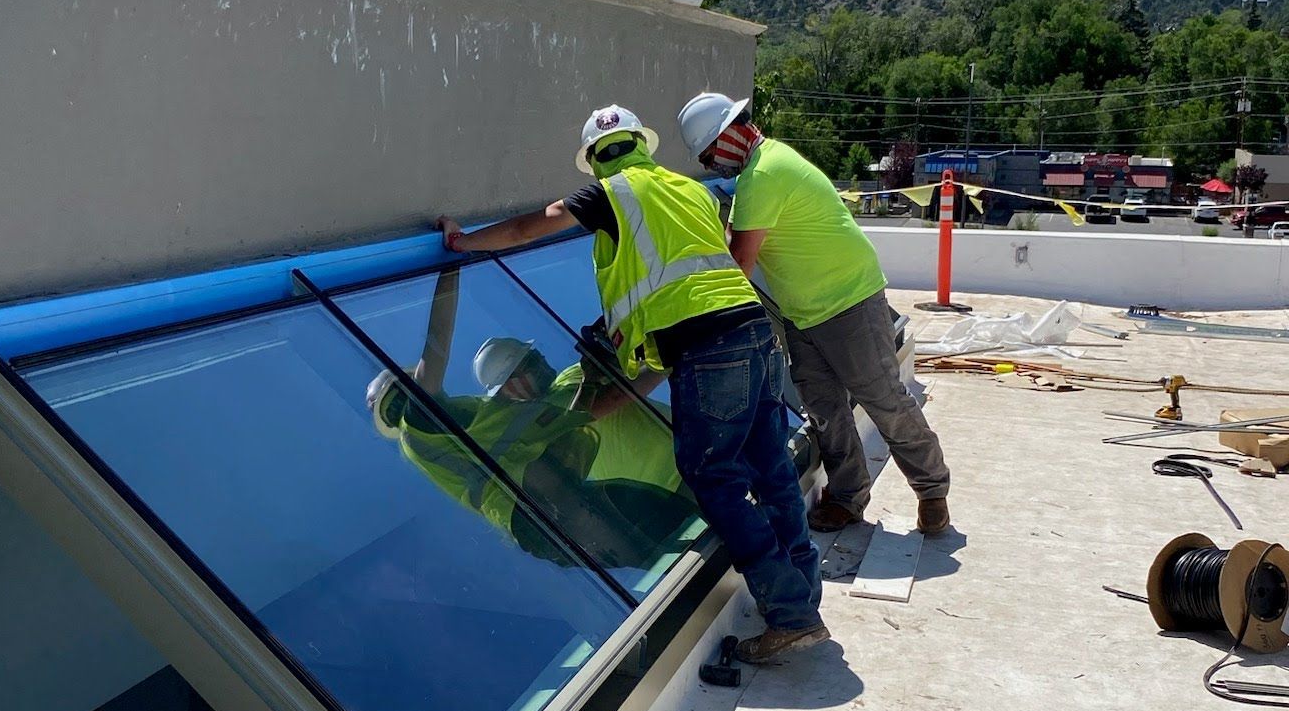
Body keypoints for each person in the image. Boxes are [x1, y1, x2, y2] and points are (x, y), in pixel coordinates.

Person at [438, 104, 826, 665]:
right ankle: (804, 599)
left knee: (712, 479)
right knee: (771, 471)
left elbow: (529, 226)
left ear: (595, 158)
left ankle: (789, 615)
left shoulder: (608, 193)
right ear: (641, 143)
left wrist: (464, 242)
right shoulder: (690, 188)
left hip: (705, 350)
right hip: (754, 333)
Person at [677, 92, 950, 536]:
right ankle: (847, 497)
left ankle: (932, 488)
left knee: (883, 398)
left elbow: (740, 261)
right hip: (803, 313)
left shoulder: (764, 174)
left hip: (848, 302)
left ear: (729, 136)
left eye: (710, 155)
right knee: (825, 411)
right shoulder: (762, 167)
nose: (712, 166)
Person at [366, 271, 691, 571]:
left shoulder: (485, 417)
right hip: (536, 510)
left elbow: (571, 421)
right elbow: (436, 345)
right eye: (401, 400)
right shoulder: (419, 432)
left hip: (558, 492)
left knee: (676, 525)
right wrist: (451, 267)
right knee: (673, 557)